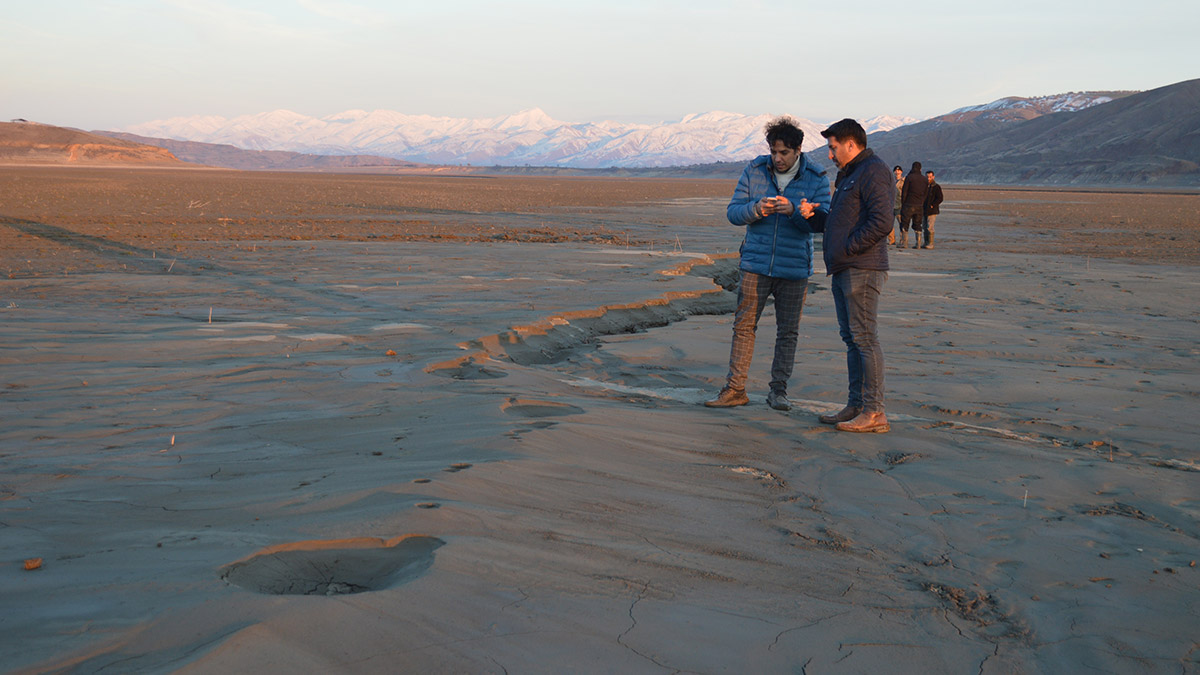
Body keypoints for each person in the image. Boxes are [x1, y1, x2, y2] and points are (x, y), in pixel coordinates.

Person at [705, 116, 831, 411]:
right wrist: (756, 209)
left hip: (795, 268)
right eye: (773, 152)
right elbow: (733, 213)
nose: (777, 159)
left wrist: (794, 213)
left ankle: (779, 391)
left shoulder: (816, 176)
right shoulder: (755, 170)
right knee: (744, 326)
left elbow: (824, 221)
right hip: (755, 264)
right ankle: (735, 388)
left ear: (798, 150)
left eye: (784, 153)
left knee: (788, 331)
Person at [816, 118, 891, 433]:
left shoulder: (872, 170)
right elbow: (845, 219)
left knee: (863, 338)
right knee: (851, 339)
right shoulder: (851, 174)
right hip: (846, 267)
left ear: (850, 143)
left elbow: (882, 221)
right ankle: (856, 405)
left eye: (833, 148)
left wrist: (848, 248)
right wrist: (818, 216)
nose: (830, 155)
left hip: (862, 267)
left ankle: (874, 412)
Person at [898, 161, 927, 249]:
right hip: (919, 205)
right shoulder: (924, 179)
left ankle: (905, 243)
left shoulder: (909, 178)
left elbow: (904, 192)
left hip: (908, 204)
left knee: (905, 224)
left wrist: (903, 203)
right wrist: (922, 202)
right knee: (918, 224)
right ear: (920, 169)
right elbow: (926, 193)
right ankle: (918, 243)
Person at [921, 170, 943, 249]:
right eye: (927, 177)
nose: (928, 178)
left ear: (933, 177)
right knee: (924, 227)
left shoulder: (936, 187)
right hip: (924, 210)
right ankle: (926, 242)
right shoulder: (923, 186)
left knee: (929, 227)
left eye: (930, 177)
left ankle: (930, 243)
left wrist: (933, 205)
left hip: (932, 210)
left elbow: (940, 198)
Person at [890, 166, 903, 245]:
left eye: (899, 170)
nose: (897, 172)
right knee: (890, 224)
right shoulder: (891, 180)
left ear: (901, 172)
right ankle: (892, 240)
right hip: (891, 205)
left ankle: (902, 240)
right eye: (896, 170)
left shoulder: (903, 181)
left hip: (900, 205)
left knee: (901, 223)